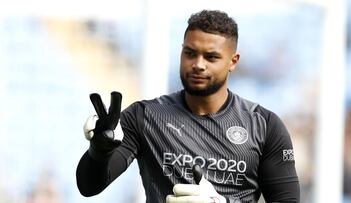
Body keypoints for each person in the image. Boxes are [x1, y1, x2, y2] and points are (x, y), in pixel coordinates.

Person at [76, 10, 300, 203]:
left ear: (233, 61)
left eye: (211, 57)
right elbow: (88, 187)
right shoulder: (145, 116)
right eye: (190, 53)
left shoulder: (264, 125)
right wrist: (99, 152)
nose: (198, 65)